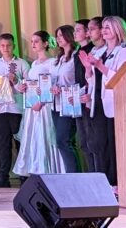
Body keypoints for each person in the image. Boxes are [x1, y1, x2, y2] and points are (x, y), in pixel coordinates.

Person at [82, 16, 126, 191]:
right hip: (98, 102)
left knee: (113, 146)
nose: (104, 30)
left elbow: (124, 78)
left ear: (118, 30)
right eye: (103, 27)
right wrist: (88, 68)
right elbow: (93, 80)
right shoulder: (102, 52)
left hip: (116, 104)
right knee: (99, 145)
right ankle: (104, 183)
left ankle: (117, 183)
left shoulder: (124, 51)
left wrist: (100, 66)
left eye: (108, 27)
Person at [12, 31, 65, 177]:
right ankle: (36, 169)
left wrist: (41, 102)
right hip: (33, 106)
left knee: (45, 136)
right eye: (32, 41)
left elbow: (52, 84)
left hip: (44, 106)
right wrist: (22, 86)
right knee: (34, 137)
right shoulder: (34, 63)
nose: (33, 44)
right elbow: (32, 85)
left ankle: (50, 170)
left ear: (45, 43)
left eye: (36, 41)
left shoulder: (52, 62)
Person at [0, 33, 29, 188]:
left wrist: (16, 81)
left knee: (20, 143)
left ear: (14, 46)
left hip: (17, 108)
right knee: (3, 144)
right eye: (3, 45)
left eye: (9, 45)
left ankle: (24, 176)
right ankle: (3, 177)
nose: (6, 48)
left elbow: (27, 87)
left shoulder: (22, 64)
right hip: (0, 109)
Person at [79, 16, 107, 175]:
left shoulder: (108, 51)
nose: (88, 33)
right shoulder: (94, 51)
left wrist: (92, 95)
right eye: (88, 30)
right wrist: (88, 70)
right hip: (92, 102)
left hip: (103, 102)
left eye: (91, 29)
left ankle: (106, 179)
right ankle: (95, 176)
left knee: (100, 144)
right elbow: (90, 78)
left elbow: (105, 79)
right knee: (91, 143)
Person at [51, 25, 79, 173]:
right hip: (55, 104)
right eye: (57, 36)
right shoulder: (59, 58)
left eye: (61, 35)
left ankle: (73, 175)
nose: (58, 38)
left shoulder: (76, 56)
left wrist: (62, 89)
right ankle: (71, 173)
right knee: (62, 142)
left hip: (69, 103)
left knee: (63, 140)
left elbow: (79, 80)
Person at [71, 18, 94, 172]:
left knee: (92, 141)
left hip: (89, 98)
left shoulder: (92, 50)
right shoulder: (77, 53)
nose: (75, 33)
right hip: (78, 98)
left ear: (87, 33)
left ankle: (96, 174)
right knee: (83, 141)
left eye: (78, 30)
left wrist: (88, 92)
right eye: (74, 30)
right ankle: (89, 173)